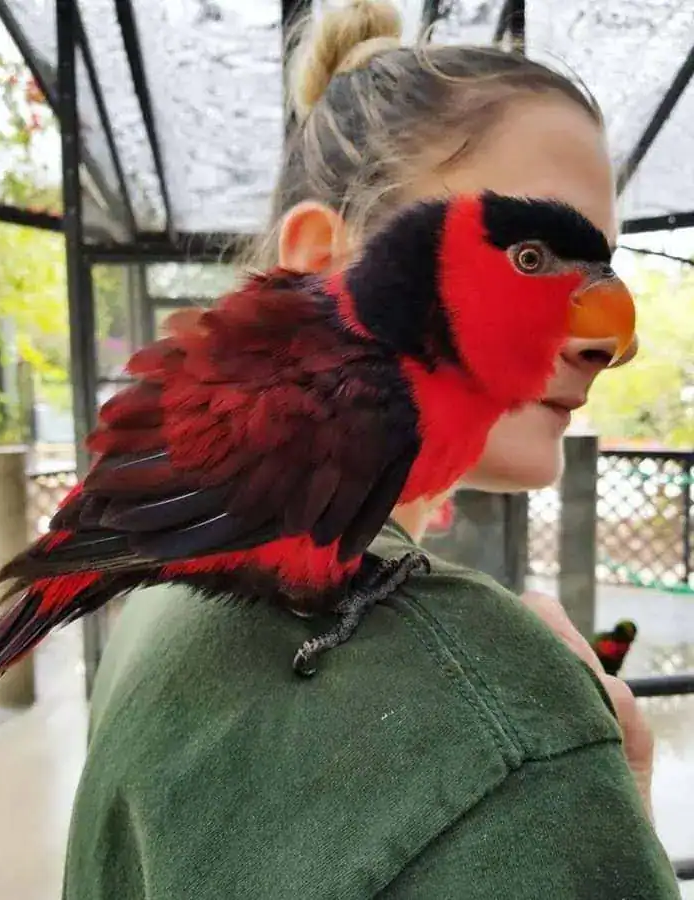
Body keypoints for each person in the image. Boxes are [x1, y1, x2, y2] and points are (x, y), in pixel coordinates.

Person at [62, 2, 679, 897]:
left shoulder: (167, 589)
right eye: (532, 258)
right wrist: (579, 796)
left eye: (603, 269)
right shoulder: (488, 721)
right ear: (327, 261)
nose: (601, 338)